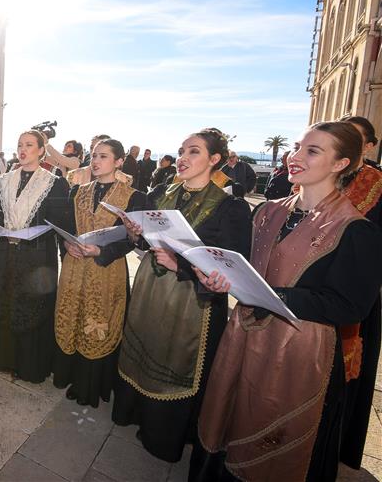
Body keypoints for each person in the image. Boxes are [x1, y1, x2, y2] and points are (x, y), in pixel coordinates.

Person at [192, 122, 382, 482]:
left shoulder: (355, 229)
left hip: (298, 350)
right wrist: (217, 277)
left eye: (312, 151)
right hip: (243, 337)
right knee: (227, 415)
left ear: (341, 164)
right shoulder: (267, 211)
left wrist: (275, 297)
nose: (295, 157)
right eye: (297, 146)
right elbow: (244, 264)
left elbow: (349, 305)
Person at [112, 128, 251, 463]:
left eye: (193, 152)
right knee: (145, 343)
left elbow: (230, 264)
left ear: (214, 159)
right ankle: (135, 413)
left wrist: (182, 267)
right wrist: (136, 235)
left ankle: (165, 435)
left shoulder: (231, 207)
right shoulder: (161, 191)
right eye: (181, 151)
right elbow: (147, 242)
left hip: (192, 300)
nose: (182, 158)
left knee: (176, 356)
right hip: (151, 287)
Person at [53, 139, 146, 407]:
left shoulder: (134, 197)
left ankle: (90, 386)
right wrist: (67, 243)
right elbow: (66, 226)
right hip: (74, 266)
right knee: (72, 314)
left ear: (118, 162)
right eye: (94, 156)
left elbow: (132, 240)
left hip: (106, 269)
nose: (95, 161)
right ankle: (68, 376)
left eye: (103, 156)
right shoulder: (77, 191)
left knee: (98, 318)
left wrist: (100, 252)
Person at [0, 130, 71, 383]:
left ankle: (31, 367)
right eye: (20, 144)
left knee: (34, 306)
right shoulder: (2, 180)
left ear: (41, 150)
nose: (23, 149)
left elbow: (60, 222)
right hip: (7, 253)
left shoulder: (55, 182)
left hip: (37, 258)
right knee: (6, 301)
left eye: (29, 145)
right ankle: (5, 359)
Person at [336, 115, 382, 469]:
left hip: (354, 297)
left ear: (368, 147)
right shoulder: (320, 180)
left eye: (353, 138)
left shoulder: (378, 186)